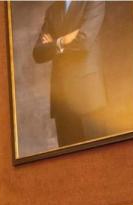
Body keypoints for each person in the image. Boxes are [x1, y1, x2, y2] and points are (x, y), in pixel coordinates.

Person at [32, 0, 107, 147]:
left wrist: (54, 45)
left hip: (88, 97)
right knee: (68, 165)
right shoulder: (52, 10)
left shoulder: (94, 2)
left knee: (97, 161)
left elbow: (84, 42)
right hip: (62, 101)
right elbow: (38, 53)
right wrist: (62, 41)